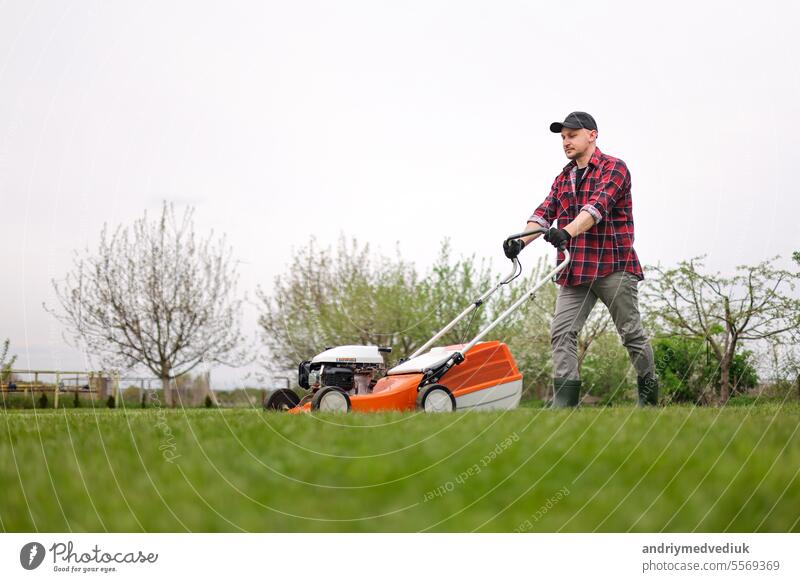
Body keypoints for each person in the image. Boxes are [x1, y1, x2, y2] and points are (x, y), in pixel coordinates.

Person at [503, 111, 658, 407]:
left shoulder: (614, 168)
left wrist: (566, 232)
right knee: (561, 333)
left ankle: (649, 398)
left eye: (572, 135)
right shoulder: (563, 177)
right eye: (562, 137)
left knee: (631, 333)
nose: (566, 142)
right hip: (575, 270)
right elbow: (543, 213)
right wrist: (519, 242)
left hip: (613, 266)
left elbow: (595, 208)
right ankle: (564, 402)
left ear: (592, 135)